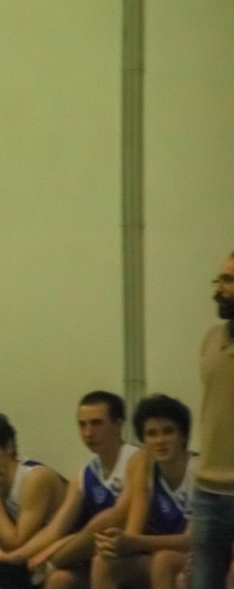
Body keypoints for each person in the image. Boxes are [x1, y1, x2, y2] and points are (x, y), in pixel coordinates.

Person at [4, 391, 139, 589]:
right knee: (59, 580)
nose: (88, 433)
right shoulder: (82, 475)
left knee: (106, 525)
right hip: (95, 550)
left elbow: (118, 517)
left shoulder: (136, 459)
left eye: (96, 423)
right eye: (82, 425)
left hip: (133, 551)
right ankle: (37, 564)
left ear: (118, 424)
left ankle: (50, 563)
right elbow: (56, 528)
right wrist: (20, 555)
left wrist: (55, 552)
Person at [90, 395, 195, 589]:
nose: (160, 441)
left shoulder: (199, 474)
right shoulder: (145, 470)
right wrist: (115, 542)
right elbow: (130, 528)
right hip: (159, 553)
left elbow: (191, 540)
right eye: (152, 434)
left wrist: (134, 542)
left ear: (184, 437)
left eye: (168, 432)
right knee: (103, 562)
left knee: (163, 561)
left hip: (203, 556)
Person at [0, 413, 66, 589]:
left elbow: (17, 541)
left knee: (57, 579)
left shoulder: (34, 478)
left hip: (60, 552)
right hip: (25, 557)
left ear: (9, 447)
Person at [190, 251, 234, 589]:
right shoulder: (211, 339)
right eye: (218, 280)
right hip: (208, 490)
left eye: (228, 281)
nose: (218, 289)